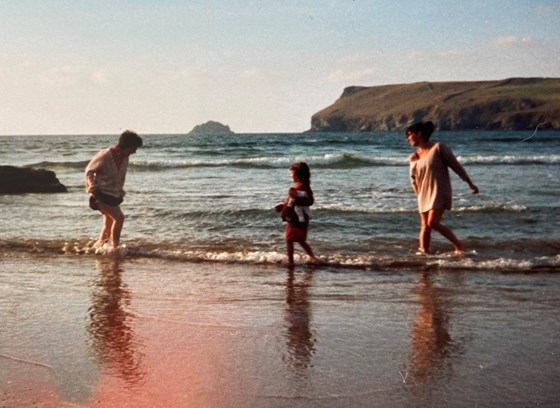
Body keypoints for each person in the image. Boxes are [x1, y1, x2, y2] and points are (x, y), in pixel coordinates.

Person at [406, 121, 478, 255]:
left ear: (419, 134)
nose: (407, 139)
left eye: (410, 135)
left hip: (439, 191)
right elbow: (413, 179)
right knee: (424, 226)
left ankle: (459, 245)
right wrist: (418, 195)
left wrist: (469, 183)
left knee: (432, 222)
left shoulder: (438, 148)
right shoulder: (413, 157)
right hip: (422, 194)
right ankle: (424, 254)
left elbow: (455, 165)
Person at [85, 130, 143, 252]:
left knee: (109, 222)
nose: (135, 151)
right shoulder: (105, 155)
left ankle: (98, 248)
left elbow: (120, 178)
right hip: (101, 195)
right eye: (134, 148)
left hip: (113, 196)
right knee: (119, 218)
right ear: (127, 145)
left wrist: (120, 193)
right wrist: (93, 189)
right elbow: (89, 171)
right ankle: (115, 248)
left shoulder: (125, 158)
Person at [274, 162, 318, 265]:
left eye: (291, 174)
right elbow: (290, 200)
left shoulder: (303, 187)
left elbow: (310, 201)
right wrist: (282, 206)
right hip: (295, 217)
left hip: (297, 218)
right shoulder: (299, 186)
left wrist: (297, 200)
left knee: (290, 239)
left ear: (297, 175)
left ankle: (291, 262)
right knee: (300, 240)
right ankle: (312, 258)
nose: (290, 176)